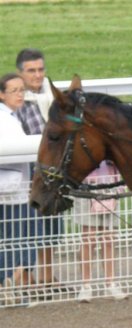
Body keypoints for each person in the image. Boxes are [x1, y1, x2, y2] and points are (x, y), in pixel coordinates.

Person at [15, 48, 64, 296]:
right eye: (31, 71)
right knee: (27, 227)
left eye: (40, 70)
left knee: (52, 225)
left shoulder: (50, 98)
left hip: (52, 174)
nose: (37, 75)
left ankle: (47, 275)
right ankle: (24, 276)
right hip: (30, 175)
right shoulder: (17, 102)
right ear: (20, 73)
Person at [0, 73, 37, 306]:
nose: (20, 94)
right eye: (14, 91)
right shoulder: (6, 120)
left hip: (16, 189)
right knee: (13, 241)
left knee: (13, 241)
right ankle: (7, 290)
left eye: (22, 90)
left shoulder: (12, 117)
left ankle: (9, 289)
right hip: (12, 192)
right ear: (2, 94)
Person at [72, 160, 127, 303]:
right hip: (87, 187)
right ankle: (86, 285)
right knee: (88, 239)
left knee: (109, 238)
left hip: (110, 186)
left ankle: (110, 283)